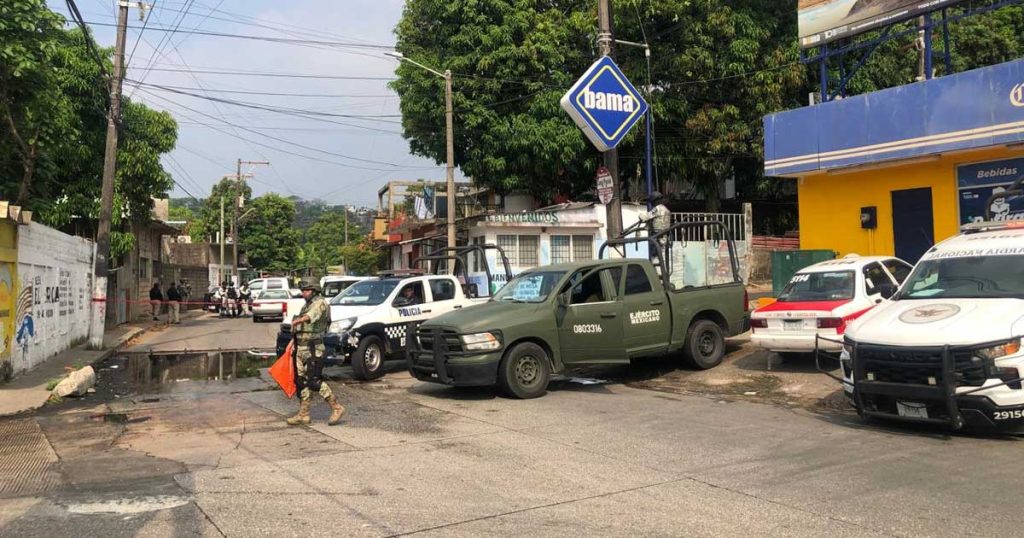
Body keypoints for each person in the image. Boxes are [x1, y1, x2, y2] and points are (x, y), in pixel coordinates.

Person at [287, 284, 345, 426]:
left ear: (314, 291)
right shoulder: (307, 305)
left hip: (313, 348)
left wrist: (298, 320)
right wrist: (293, 341)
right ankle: (304, 414)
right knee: (301, 381)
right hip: (301, 347)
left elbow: (310, 316)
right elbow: (302, 328)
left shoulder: (320, 303)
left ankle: (337, 407)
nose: (303, 293)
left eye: (306, 290)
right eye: (302, 290)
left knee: (314, 380)